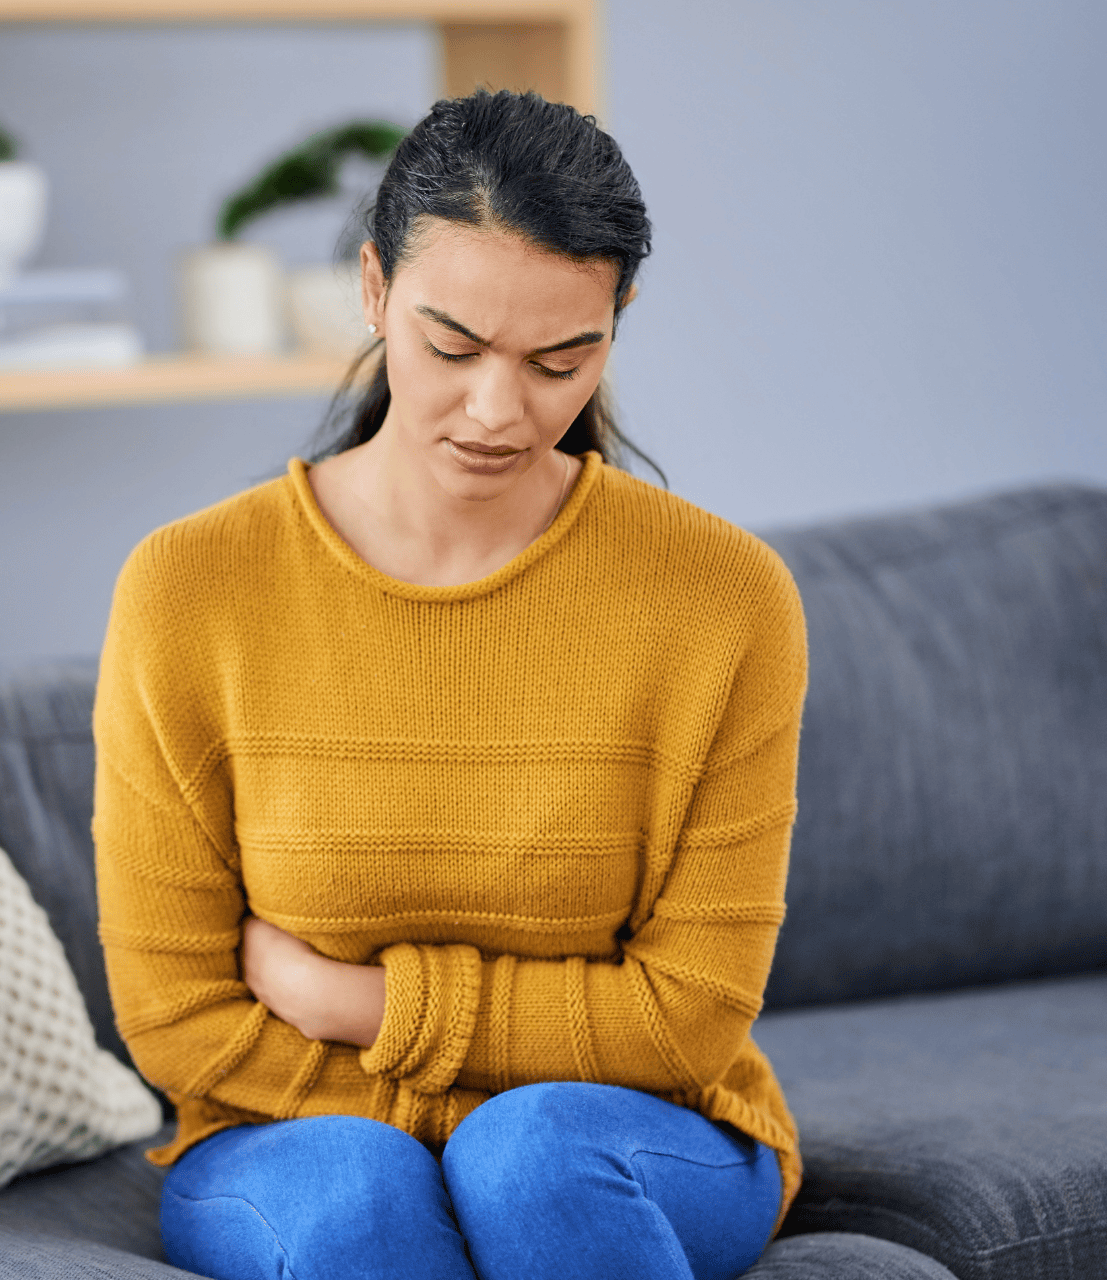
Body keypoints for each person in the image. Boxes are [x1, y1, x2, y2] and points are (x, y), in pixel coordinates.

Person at [92, 88, 805, 1280]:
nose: (496, 410)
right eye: (452, 345)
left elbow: (688, 1015)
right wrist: (442, 1134)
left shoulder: (722, 598)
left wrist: (361, 1004)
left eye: (558, 359)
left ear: (617, 320)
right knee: (363, 1192)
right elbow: (176, 1014)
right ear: (373, 290)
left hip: (638, 1132)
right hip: (286, 1133)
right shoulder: (190, 587)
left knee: (533, 1158)